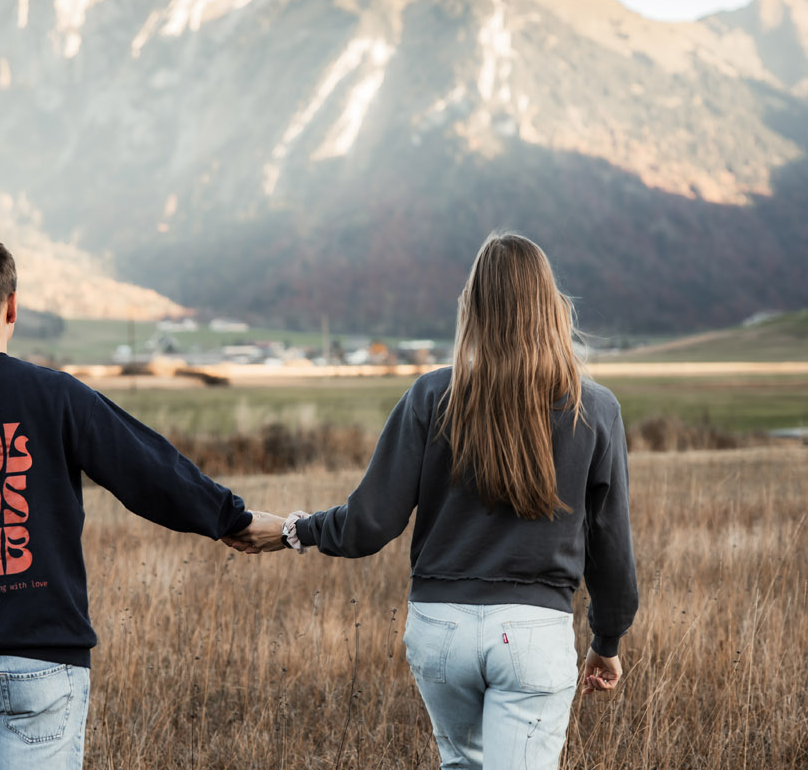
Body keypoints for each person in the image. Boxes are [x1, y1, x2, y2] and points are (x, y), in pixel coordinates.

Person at [0, 234, 280, 769]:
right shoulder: (54, 395)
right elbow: (145, 469)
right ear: (12, 306)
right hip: (39, 660)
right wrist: (228, 518)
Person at [229, 232, 638, 770]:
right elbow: (610, 546)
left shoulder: (430, 397)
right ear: (551, 308)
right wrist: (606, 638)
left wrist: (291, 531)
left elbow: (369, 523)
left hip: (440, 627)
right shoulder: (596, 409)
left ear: (473, 308)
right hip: (535, 633)